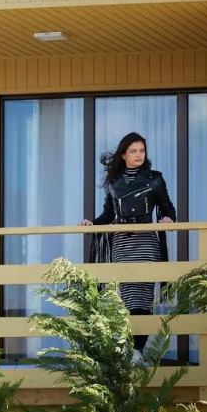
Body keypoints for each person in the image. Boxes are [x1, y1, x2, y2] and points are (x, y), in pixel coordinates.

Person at [79, 132, 176, 363]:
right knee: (128, 297)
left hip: (146, 242)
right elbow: (108, 214)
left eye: (142, 150)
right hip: (122, 242)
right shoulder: (114, 182)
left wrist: (167, 218)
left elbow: (168, 208)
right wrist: (92, 223)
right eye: (133, 151)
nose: (138, 155)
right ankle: (131, 348)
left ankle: (136, 350)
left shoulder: (155, 179)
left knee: (143, 297)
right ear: (123, 155)